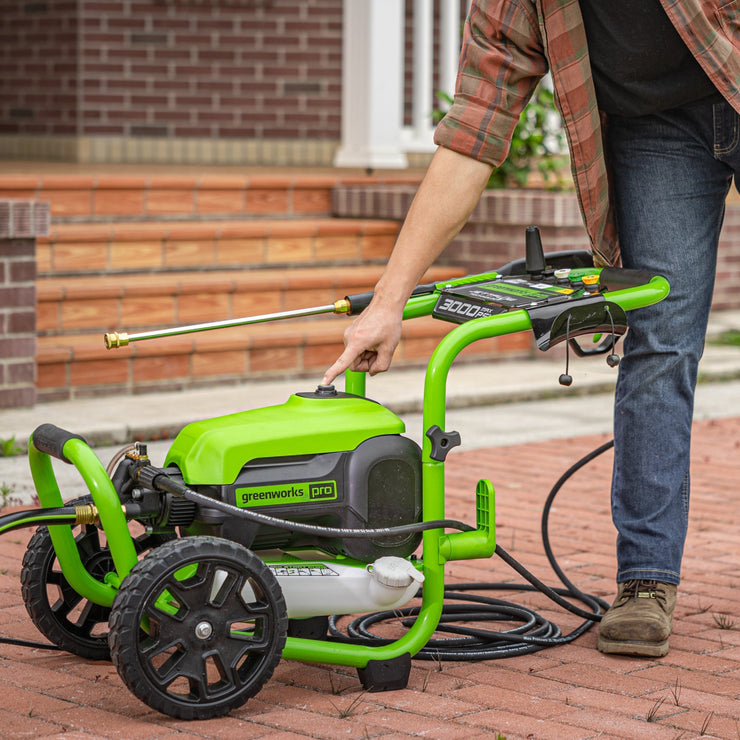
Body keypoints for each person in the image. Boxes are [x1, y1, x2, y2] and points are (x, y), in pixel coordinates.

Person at [322, 0, 740, 658]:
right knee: (658, 343)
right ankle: (646, 581)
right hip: (658, 130)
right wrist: (390, 299)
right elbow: (475, 129)